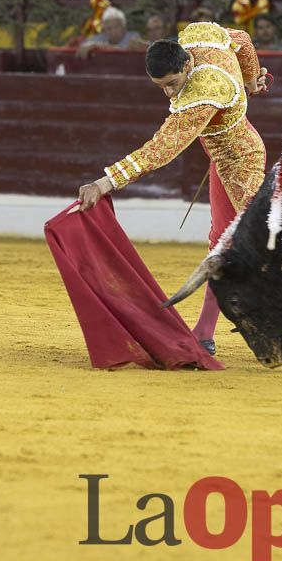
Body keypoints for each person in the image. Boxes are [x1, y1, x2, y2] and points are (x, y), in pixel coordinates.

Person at [76, 23, 271, 358]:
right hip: (222, 156)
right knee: (222, 245)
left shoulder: (203, 91)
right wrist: (251, 78)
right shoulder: (198, 36)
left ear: (186, 66)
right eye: (160, 86)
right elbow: (240, 39)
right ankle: (205, 334)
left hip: (240, 161)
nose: (168, 93)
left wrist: (105, 181)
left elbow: (160, 151)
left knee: (258, 246)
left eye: (172, 83)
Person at [76, 6, 145, 55]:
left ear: (124, 26)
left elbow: (125, 52)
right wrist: (86, 45)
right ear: (104, 30)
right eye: (109, 28)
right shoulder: (98, 38)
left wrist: (98, 46)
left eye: (116, 27)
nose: (113, 31)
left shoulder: (133, 36)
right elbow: (83, 46)